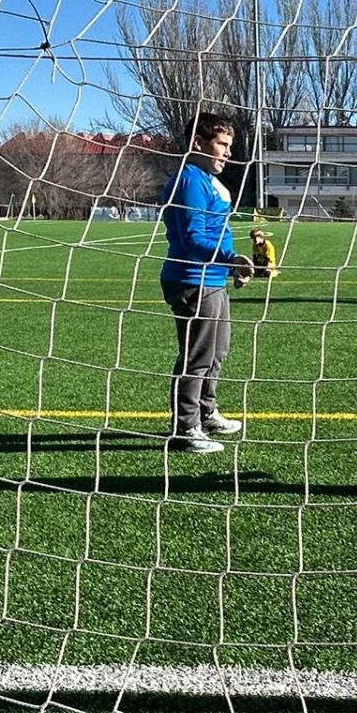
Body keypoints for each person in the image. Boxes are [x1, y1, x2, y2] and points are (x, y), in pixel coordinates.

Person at [160, 113, 254, 456]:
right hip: (191, 280)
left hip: (212, 278)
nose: (228, 152)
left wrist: (232, 267)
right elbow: (192, 239)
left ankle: (206, 411)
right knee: (196, 357)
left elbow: (214, 234)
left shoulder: (205, 178)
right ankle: (185, 429)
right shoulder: (190, 181)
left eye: (229, 145)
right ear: (197, 143)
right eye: (222, 144)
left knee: (218, 352)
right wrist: (231, 258)